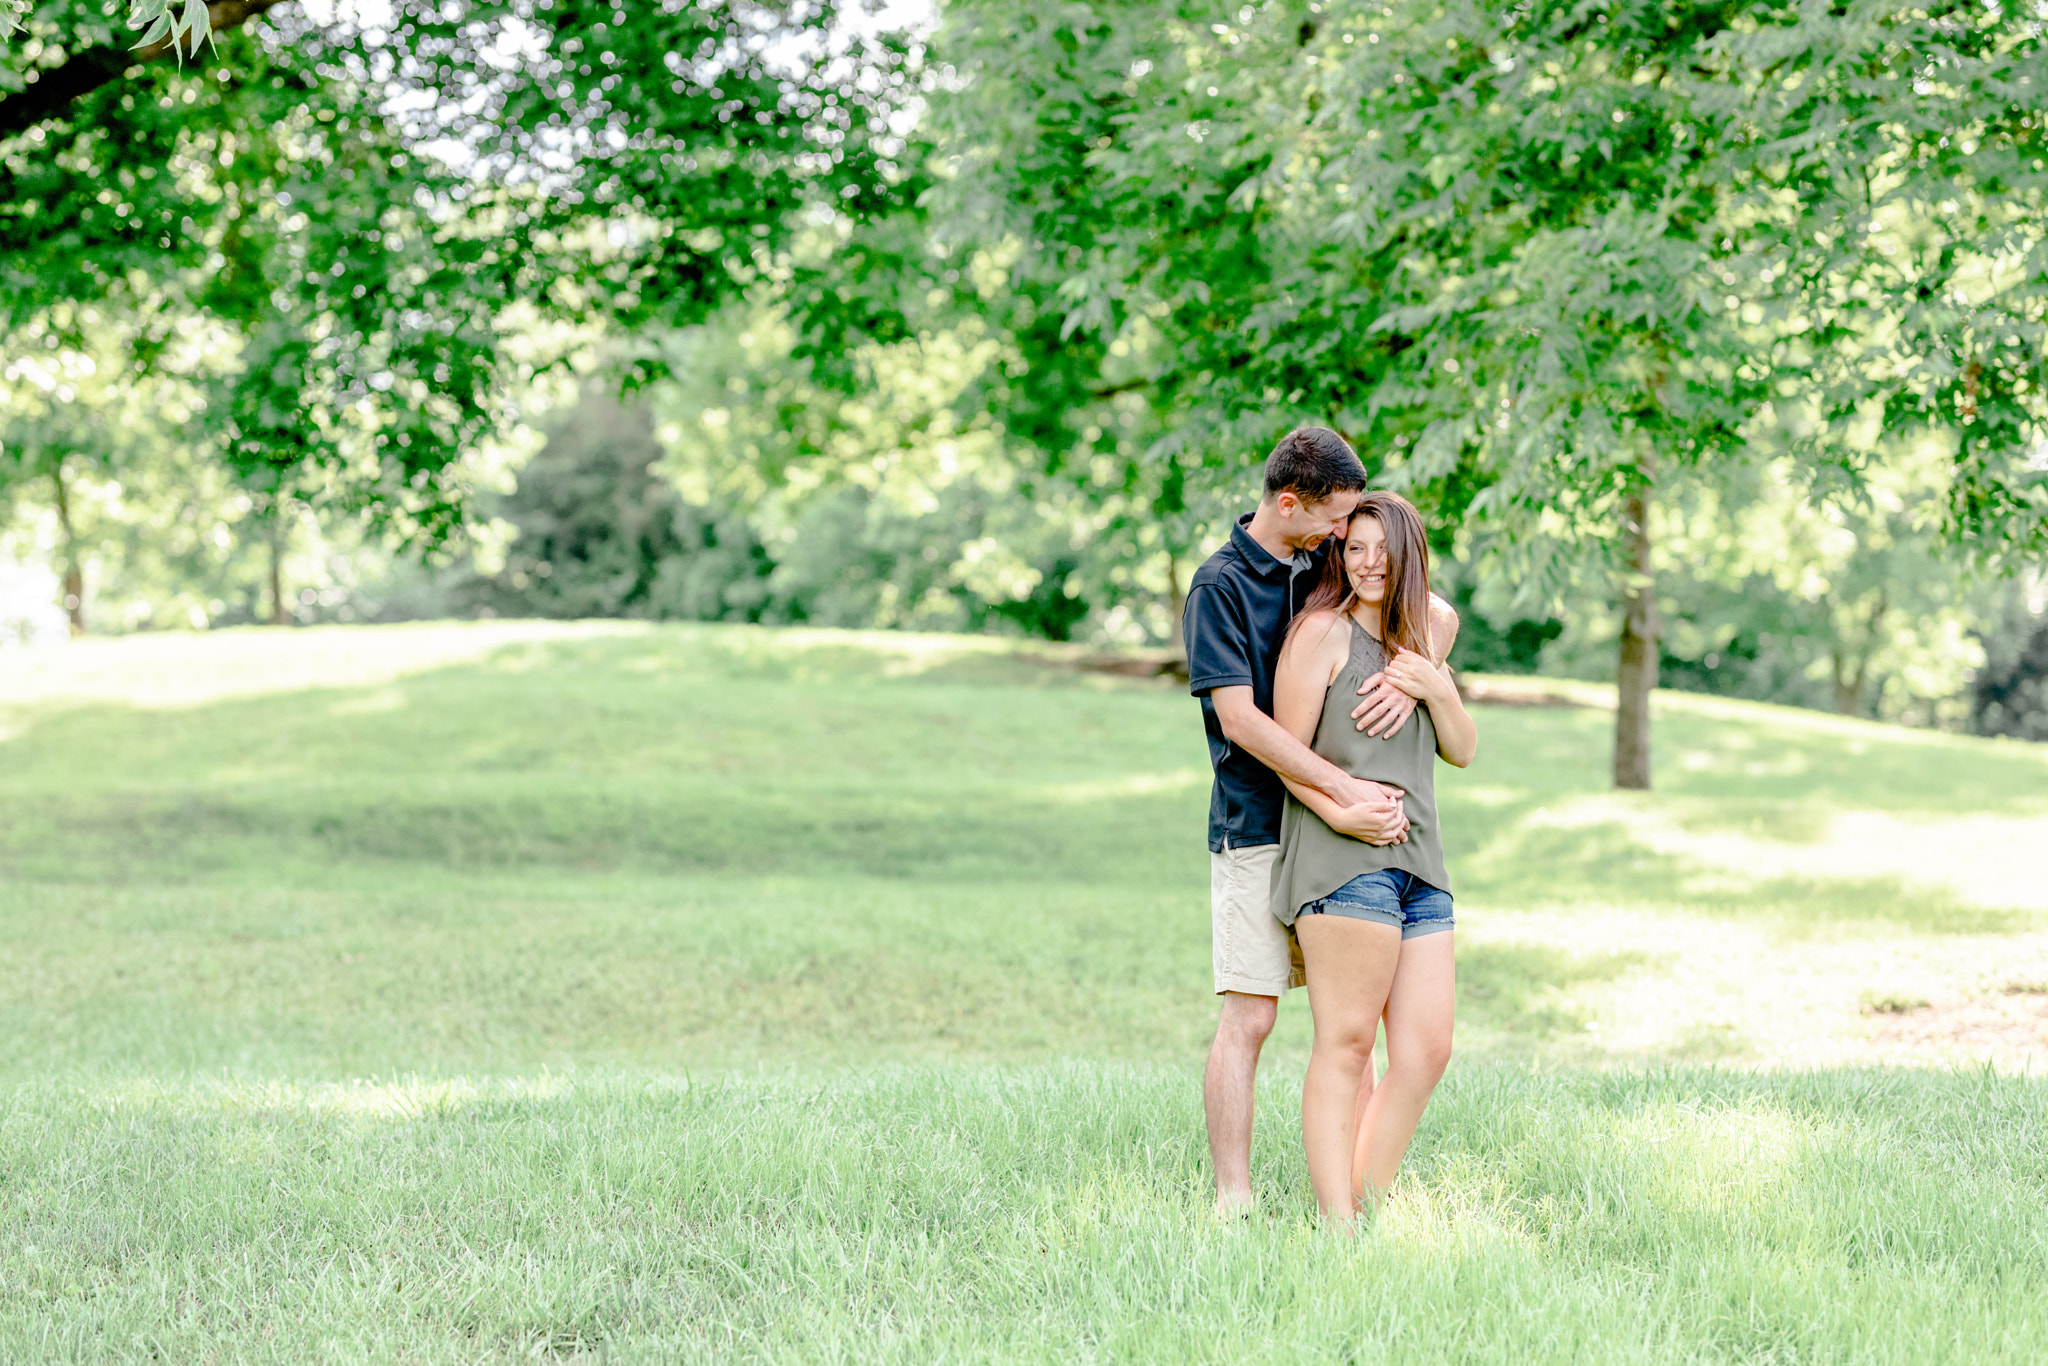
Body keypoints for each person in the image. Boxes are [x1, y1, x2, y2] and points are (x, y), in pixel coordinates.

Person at [1182, 428, 1457, 1216]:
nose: (1345, 537)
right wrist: (1342, 788)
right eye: (1334, 519)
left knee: (1354, 1026)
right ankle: (1234, 1198)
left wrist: (1416, 683)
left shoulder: (1316, 565)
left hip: (1344, 842)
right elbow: (1241, 721)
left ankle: (1351, 1189)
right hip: (1258, 824)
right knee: (1253, 1014)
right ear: (1292, 502)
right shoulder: (1221, 586)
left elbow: (1429, 611)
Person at [1268, 490, 1475, 1223]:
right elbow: (1284, 756)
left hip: (1422, 866)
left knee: (1426, 1052)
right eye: (1353, 548)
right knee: (1349, 1041)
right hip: (1338, 861)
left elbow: (1462, 750)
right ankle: (1339, 1222)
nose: (1366, 563)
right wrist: (1343, 809)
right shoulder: (1319, 634)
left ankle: (1364, 1197)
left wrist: (1432, 683)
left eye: (1383, 550)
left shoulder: (1429, 635)